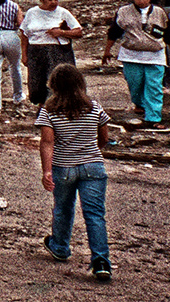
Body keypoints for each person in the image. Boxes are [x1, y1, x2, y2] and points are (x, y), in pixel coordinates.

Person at [36, 64, 112, 282]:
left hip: (64, 167)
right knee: (95, 214)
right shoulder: (94, 108)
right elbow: (104, 138)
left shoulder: (49, 111)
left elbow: (47, 143)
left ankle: (60, 246)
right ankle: (100, 260)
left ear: (54, 86)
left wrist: (46, 171)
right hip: (93, 166)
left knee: (63, 208)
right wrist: (91, 152)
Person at [102, 0, 170, 130]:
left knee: (154, 86)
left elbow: (169, 34)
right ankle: (140, 103)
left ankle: (153, 117)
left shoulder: (159, 12)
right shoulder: (124, 12)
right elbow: (114, 32)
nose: (142, 1)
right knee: (134, 83)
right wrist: (107, 50)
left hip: (155, 55)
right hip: (132, 55)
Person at [21, 0, 83, 106]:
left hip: (57, 52)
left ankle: (52, 109)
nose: (54, 2)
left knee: (54, 82)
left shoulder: (63, 13)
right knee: (36, 84)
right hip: (36, 51)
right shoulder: (32, 13)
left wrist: (61, 32)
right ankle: (41, 106)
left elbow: (78, 32)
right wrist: (24, 54)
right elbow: (24, 34)